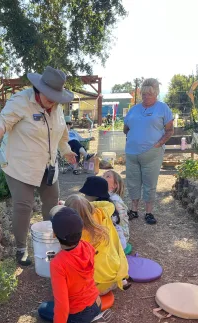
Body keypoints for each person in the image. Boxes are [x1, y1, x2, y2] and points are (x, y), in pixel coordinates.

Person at [0, 66, 77, 266]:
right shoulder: (21, 101)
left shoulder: (57, 107)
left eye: (56, 96)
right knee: (23, 206)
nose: (52, 101)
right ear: (38, 89)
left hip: (48, 167)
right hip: (21, 166)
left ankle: (53, 240)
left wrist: (67, 151)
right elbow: (2, 121)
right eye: (49, 96)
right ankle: (21, 248)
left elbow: (61, 135)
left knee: (53, 204)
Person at [38, 206, 112, 323]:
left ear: (54, 234)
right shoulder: (87, 246)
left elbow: (62, 304)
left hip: (79, 314)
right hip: (96, 302)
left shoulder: (58, 263)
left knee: (43, 309)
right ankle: (92, 317)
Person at [123, 78, 174, 225]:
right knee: (133, 182)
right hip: (132, 153)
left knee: (149, 183)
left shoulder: (163, 108)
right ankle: (133, 210)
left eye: (149, 94)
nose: (146, 97)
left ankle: (149, 212)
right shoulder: (134, 109)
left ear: (156, 93)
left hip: (152, 153)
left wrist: (158, 144)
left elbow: (170, 130)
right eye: (144, 94)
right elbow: (125, 128)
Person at [65, 192, 129, 295]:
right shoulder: (102, 213)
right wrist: (89, 205)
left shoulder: (75, 233)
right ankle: (121, 281)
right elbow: (110, 204)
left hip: (97, 288)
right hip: (115, 274)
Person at [102, 170, 129, 247]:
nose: (103, 177)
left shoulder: (114, 200)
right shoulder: (108, 197)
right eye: (103, 175)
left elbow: (118, 222)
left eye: (107, 176)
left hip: (119, 239)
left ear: (115, 185)